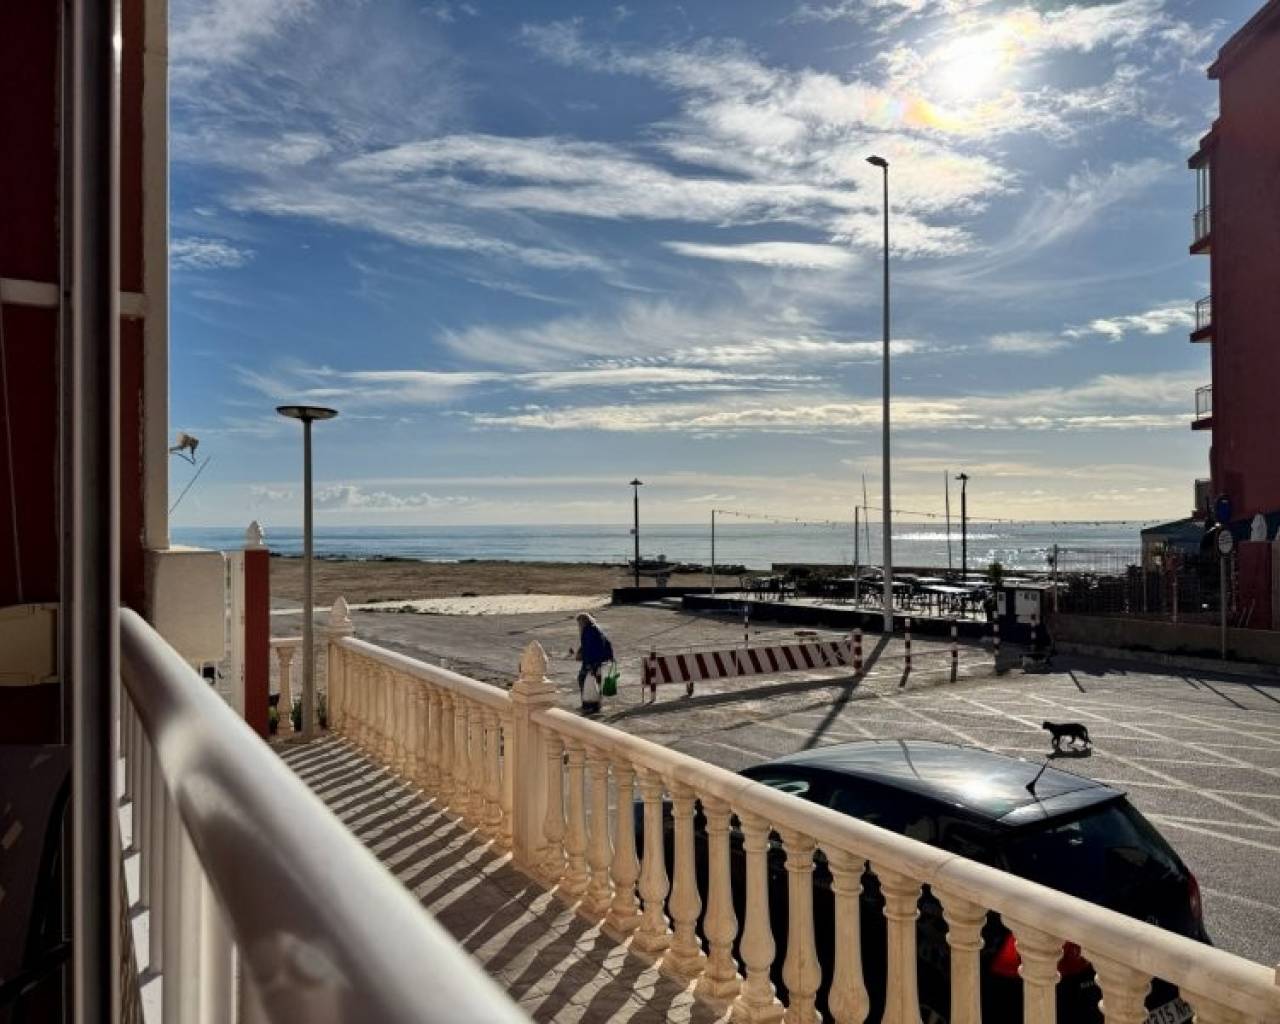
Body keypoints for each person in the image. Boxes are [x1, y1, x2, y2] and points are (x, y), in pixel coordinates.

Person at [573, 613, 613, 714]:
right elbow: (607, 643)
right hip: (599, 660)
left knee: (583, 680)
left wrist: (588, 664)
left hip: (592, 661)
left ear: (583, 622)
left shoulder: (587, 631)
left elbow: (588, 648)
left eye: (579, 623)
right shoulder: (596, 628)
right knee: (595, 682)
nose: (578, 625)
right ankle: (596, 705)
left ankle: (588, 705)